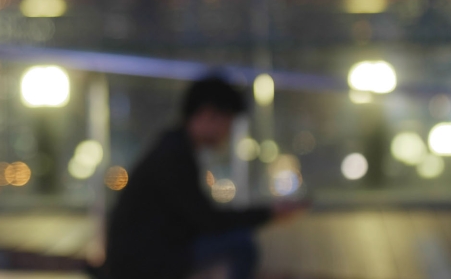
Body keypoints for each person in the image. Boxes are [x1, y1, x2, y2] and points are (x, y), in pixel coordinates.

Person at [105, 74, 306, 279]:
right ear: (208, 114)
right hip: (144, 265)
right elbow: (208, 220)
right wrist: (268, 213)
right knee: (242, 245)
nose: (227, 133)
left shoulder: (174, 148)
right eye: (227, 123)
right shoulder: (175, 155)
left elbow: (201, 218)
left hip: (144, 259)